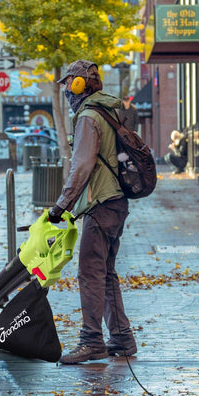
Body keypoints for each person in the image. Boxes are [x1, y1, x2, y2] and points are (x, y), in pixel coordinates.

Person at [48, 60, 137, 364]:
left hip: (102, 204)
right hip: (116, 203)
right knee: (106, 272)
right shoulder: (107, 110)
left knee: (90, 273)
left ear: (78, 85)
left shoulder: (88, 116)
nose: (66, 93)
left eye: (68, 85)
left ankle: (91, 341)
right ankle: (122, 339)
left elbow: (82, 165)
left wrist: (62, 205)